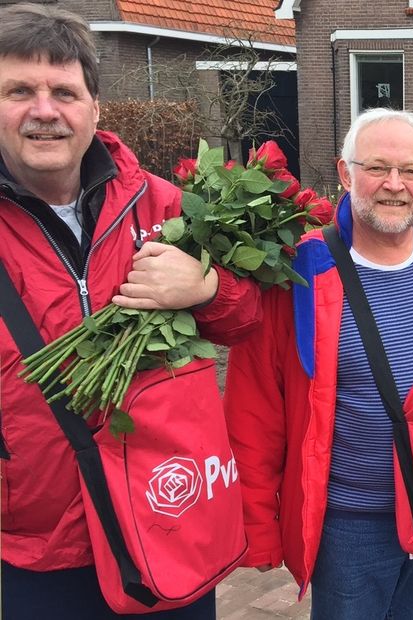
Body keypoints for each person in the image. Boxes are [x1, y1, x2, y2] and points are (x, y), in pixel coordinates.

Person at [223, 108, 413, 620]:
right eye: (377, 168)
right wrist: (258, 525)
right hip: (349, 521)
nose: (395, 185)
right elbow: (255, 404)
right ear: (345, 173)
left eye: (411, 170)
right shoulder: (299, 270)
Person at [0, 4, 261, 618]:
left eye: (64, 91)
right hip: (41, 544)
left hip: (168, 514)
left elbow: (247, 319)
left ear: (94, 108)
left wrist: (206, 289)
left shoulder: (165, 205)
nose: (44, 110)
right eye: (19, 91)